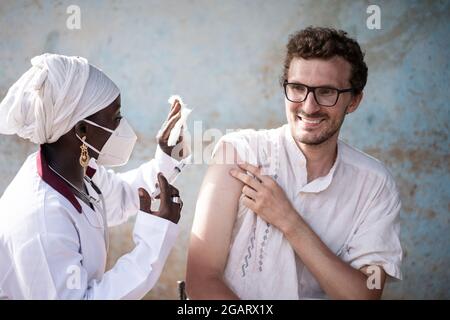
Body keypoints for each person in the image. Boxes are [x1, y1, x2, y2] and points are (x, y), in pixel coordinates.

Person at [186, 27, 402, 299]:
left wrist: (290, 222)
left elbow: (364, 296)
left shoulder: (374, 184)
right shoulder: (238, 154)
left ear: (354, 100)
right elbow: (201, 281)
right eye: (298, 88)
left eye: (326, 92)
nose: (309, 106)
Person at [0, 53, 188, 299]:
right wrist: (152, 242)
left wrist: (166, 157)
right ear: (82, 131)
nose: (123, 127)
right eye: (116, 118)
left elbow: (122, 196)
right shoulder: (42, 218)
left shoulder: (71, 172)